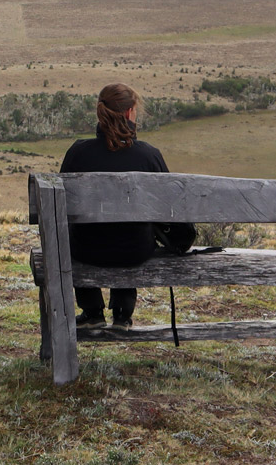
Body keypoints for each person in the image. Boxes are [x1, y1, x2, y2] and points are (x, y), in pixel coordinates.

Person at [59, 83, 196, 327]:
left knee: (76, 233)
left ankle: (92, 311)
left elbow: (63, 209)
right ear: (130, 113)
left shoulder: (78, 153)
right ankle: (122, 313)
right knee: (132, 229)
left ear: (100, 112)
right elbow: (169, 208)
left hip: (87, 251)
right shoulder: (148, 155)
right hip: (135, 251)